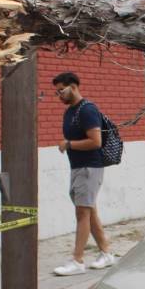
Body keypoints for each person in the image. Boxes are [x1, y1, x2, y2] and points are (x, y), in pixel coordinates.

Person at [51, 72, 117, 276]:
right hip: (78, 167)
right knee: (89, 212)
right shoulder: (70, 111)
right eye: (56, 92)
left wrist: (69, 144)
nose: (59, 95)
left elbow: (95, 142)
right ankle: (106, 253)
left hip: (90, 168)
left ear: (73, 87)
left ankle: (77, 260)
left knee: (82, 213)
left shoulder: (87, 110)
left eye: (61, 90)